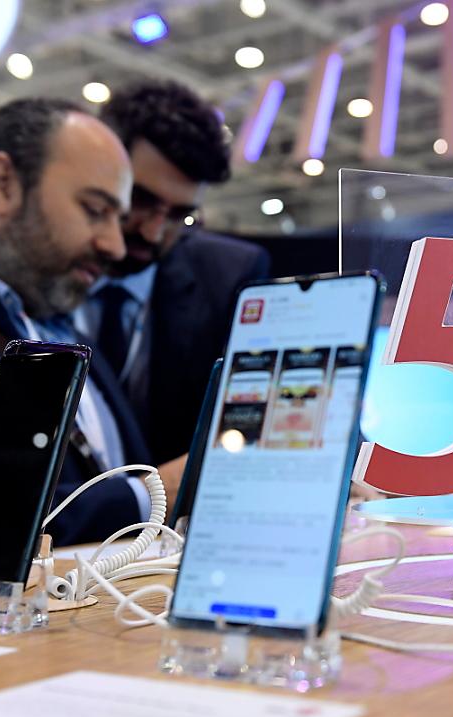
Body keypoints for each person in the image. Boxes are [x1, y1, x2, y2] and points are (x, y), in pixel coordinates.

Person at [0, 98, 183, 567]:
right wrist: (149, 496)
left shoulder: (55, 319)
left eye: (118, 219)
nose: (116, 245)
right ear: (3, 184)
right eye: (95, 209)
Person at [81, 80, 270, 464]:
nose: (154, 231)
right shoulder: (38, 264)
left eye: (179, 215)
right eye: (140, 199)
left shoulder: (229, 277)